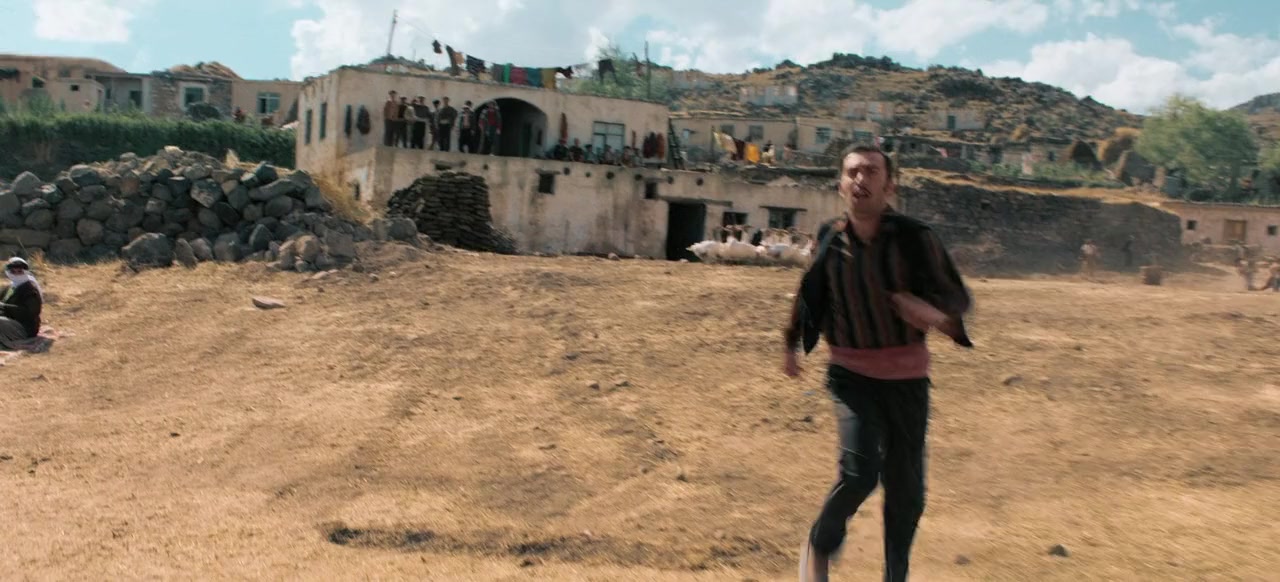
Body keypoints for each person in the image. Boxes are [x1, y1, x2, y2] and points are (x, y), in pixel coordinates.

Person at [785, 146, 973, 582]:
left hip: (908, 380)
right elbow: (811, 292)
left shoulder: (916, 238)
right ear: (840, 185)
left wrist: (934, 315)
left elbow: (958, 298)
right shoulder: (830, 237)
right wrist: (790, 344)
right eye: (852, 172)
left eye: (871, 171)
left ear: (890, 186)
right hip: (850, 375)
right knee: (860, 471)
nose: (860, 179)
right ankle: (820, 544)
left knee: (906, 494)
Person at [0, 257, 43, 350]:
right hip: (9, 321)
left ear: (25, 272)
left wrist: (5, 307)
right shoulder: (9, 287)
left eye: (19, 271)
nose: (16, 274)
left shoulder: (30, 290)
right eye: (13, 271)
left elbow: (30, 313)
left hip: (25, 328)